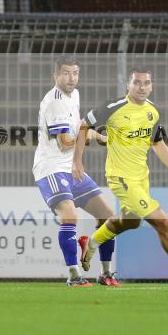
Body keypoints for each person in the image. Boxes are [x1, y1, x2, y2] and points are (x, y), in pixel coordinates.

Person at [74, 67, 168, 289]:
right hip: (121, 178)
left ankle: (90, 243)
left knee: (132, 221)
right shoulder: (112, 107)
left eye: (146, 83)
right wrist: (77, 161)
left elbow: (157, 143)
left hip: (141, 178)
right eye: (137, 82)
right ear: (128, 85)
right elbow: (83, 125)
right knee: (163, 222)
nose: (142, 87)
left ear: (152, 86)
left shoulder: (152, 112)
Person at [33, 57, 121, 287]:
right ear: (56, 75)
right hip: (51, 168)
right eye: (65, 73)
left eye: (75, 73)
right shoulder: (54, 102)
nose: (71, 78)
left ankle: (105, 272)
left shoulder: (75, 95)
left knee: (107, 215)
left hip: (70, 168)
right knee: (69, 216)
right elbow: (64, 142)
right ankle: (74, 275)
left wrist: (101, 137)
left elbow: (78, 128)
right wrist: (90, 135)